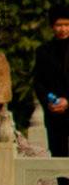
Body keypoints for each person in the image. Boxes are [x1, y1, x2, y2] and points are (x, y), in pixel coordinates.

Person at [32, 10, 69, 157]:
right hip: (54, 112)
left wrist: (67, 101)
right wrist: (50, 101)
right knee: (58, 153)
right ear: (52, 27)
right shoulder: (43, 51)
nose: (63, 29)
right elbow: (38, 81)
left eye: (66, 24)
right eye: (59, 25)